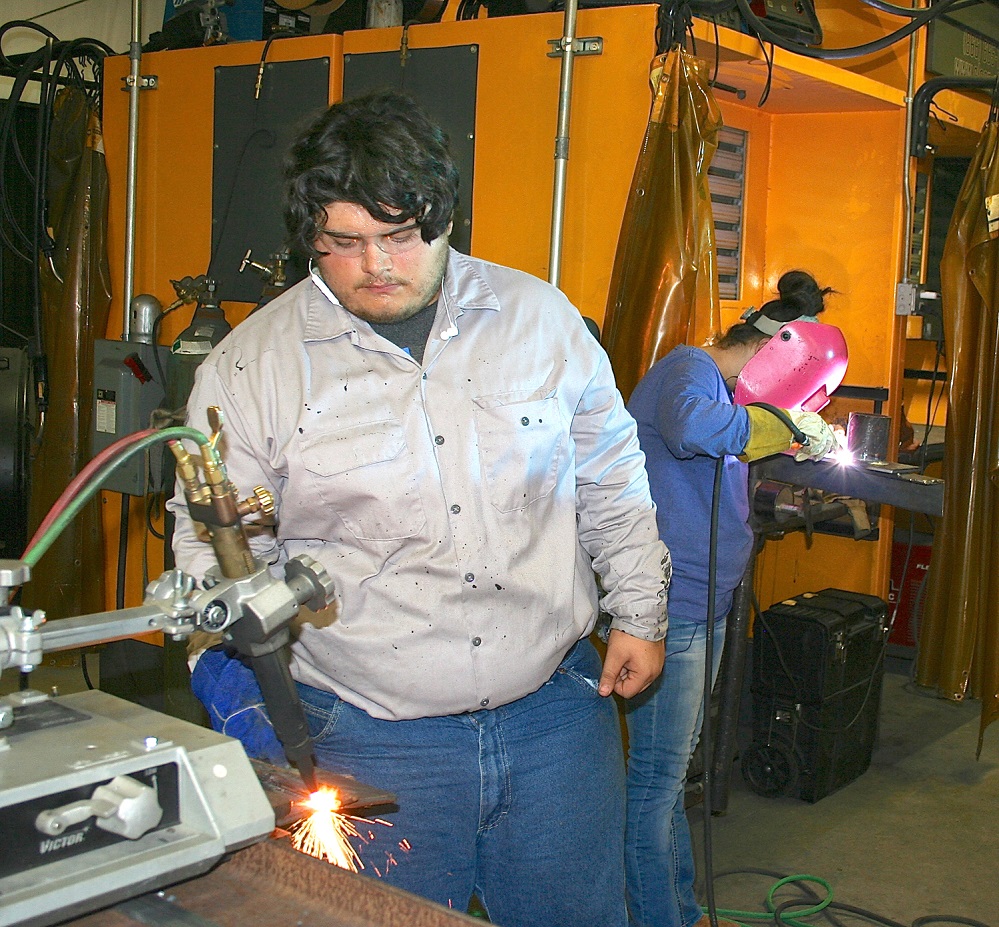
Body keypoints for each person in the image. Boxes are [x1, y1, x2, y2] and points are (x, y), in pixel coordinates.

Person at [168, 89, 671, 927]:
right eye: (345, 243)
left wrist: (640, 612)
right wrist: (235, 677)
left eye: (402, 237)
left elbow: (610, 478)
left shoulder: (541, 322)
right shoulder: (248, 370)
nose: (377, 265)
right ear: (310, 239)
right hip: (366, 732)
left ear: (444, 221)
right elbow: (212, 553)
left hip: (555, 715)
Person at [623, 271, 838, 927]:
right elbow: (697, 430)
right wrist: (781, 423)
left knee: (671, 779)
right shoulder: (687, 369)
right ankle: (661, 918)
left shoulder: (724, 392)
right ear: (774, 351)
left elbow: (733, 441)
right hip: (672, 608)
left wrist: (798, 435)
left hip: (704, 607)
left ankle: (680, 910)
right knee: (656, 782)